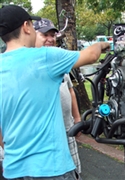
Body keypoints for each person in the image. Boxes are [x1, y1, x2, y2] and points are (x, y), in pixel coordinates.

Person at [0, 5, 110, 180]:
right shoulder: (45, 57)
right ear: (26, 27)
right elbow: (91, 55)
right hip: (52, 168)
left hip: (13, 170)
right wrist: (104, 44)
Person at [33, 18, 82, 178]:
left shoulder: (59, 63)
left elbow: (71, 91)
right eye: (45, 35)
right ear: (33, 36)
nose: (50, 39)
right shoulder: (29, 63)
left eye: (53, 35)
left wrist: (77, 118)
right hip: (47, 134)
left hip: (68, 129)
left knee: (74, 171)